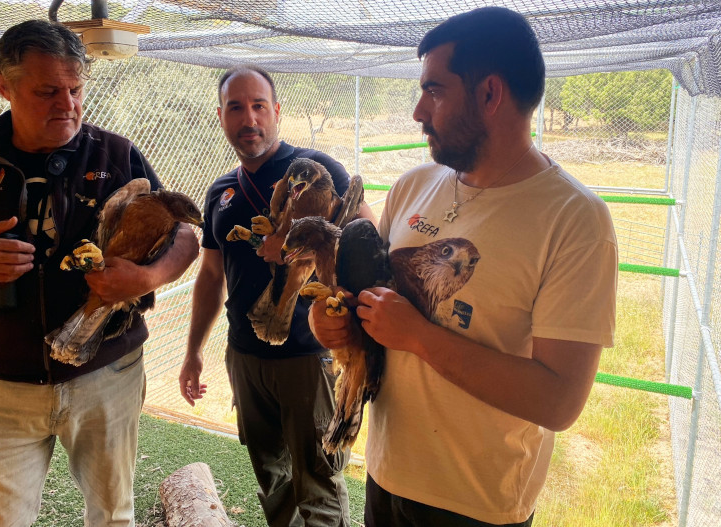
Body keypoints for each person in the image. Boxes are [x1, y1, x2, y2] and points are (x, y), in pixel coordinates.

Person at [309, 7, 618, 527]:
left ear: (490, 94)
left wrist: (421, 338)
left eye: (434, 90)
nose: (417, 112)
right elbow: (368, 313)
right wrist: (333, 328)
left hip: (477, 504)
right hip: (386, 474)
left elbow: (560, 400)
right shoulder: (413, 184)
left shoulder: (575, 220)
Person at [0, 20, 199, 527]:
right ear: (3, 85)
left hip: (107, 374)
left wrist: (147, 279)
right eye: (47, 91)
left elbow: (183, 235)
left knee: (113, 516)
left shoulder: (117, 156)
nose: (67, 104)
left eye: (75, 89)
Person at [179, 65, 374, 527]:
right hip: (245, 356)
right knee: (273, 479)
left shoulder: (321, 170)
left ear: (276, 111)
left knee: (320, 484)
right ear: (222, 117)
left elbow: (368, 244)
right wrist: (193, 352)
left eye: (259, 106)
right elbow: (210, 276)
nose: (250, 119)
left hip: (311, 357)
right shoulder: (221, 191)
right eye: (236, 108)